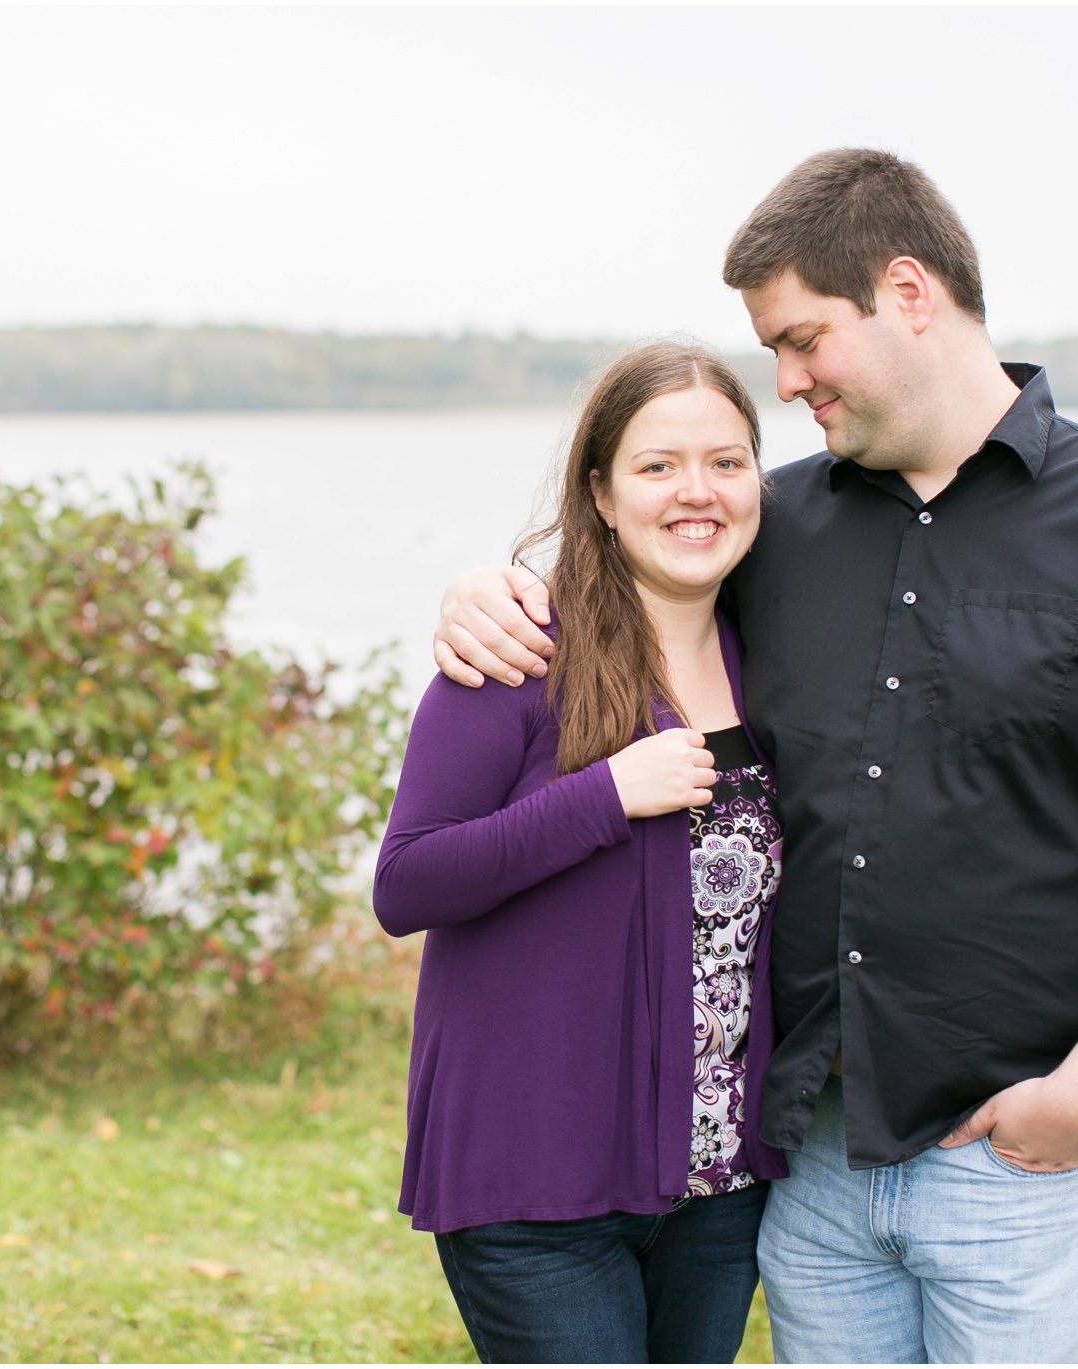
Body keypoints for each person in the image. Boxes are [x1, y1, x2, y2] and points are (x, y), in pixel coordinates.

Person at [432, 150, 1078, 1363]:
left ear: (904, 291)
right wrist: (487, 592)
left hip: (1029, 1151)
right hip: (809, 1166)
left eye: (798, 340)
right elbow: (618, 576)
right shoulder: (771, 528)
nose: (782, 384)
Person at [373, 342, 788, 1363]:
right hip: (536, 1183)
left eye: (726, 462)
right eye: (656, 466)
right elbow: (406, 880)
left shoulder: (771, 646)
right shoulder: (517, 653)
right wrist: (602, 796)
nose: (696, 492)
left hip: (716, 1185)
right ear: (599, 492)